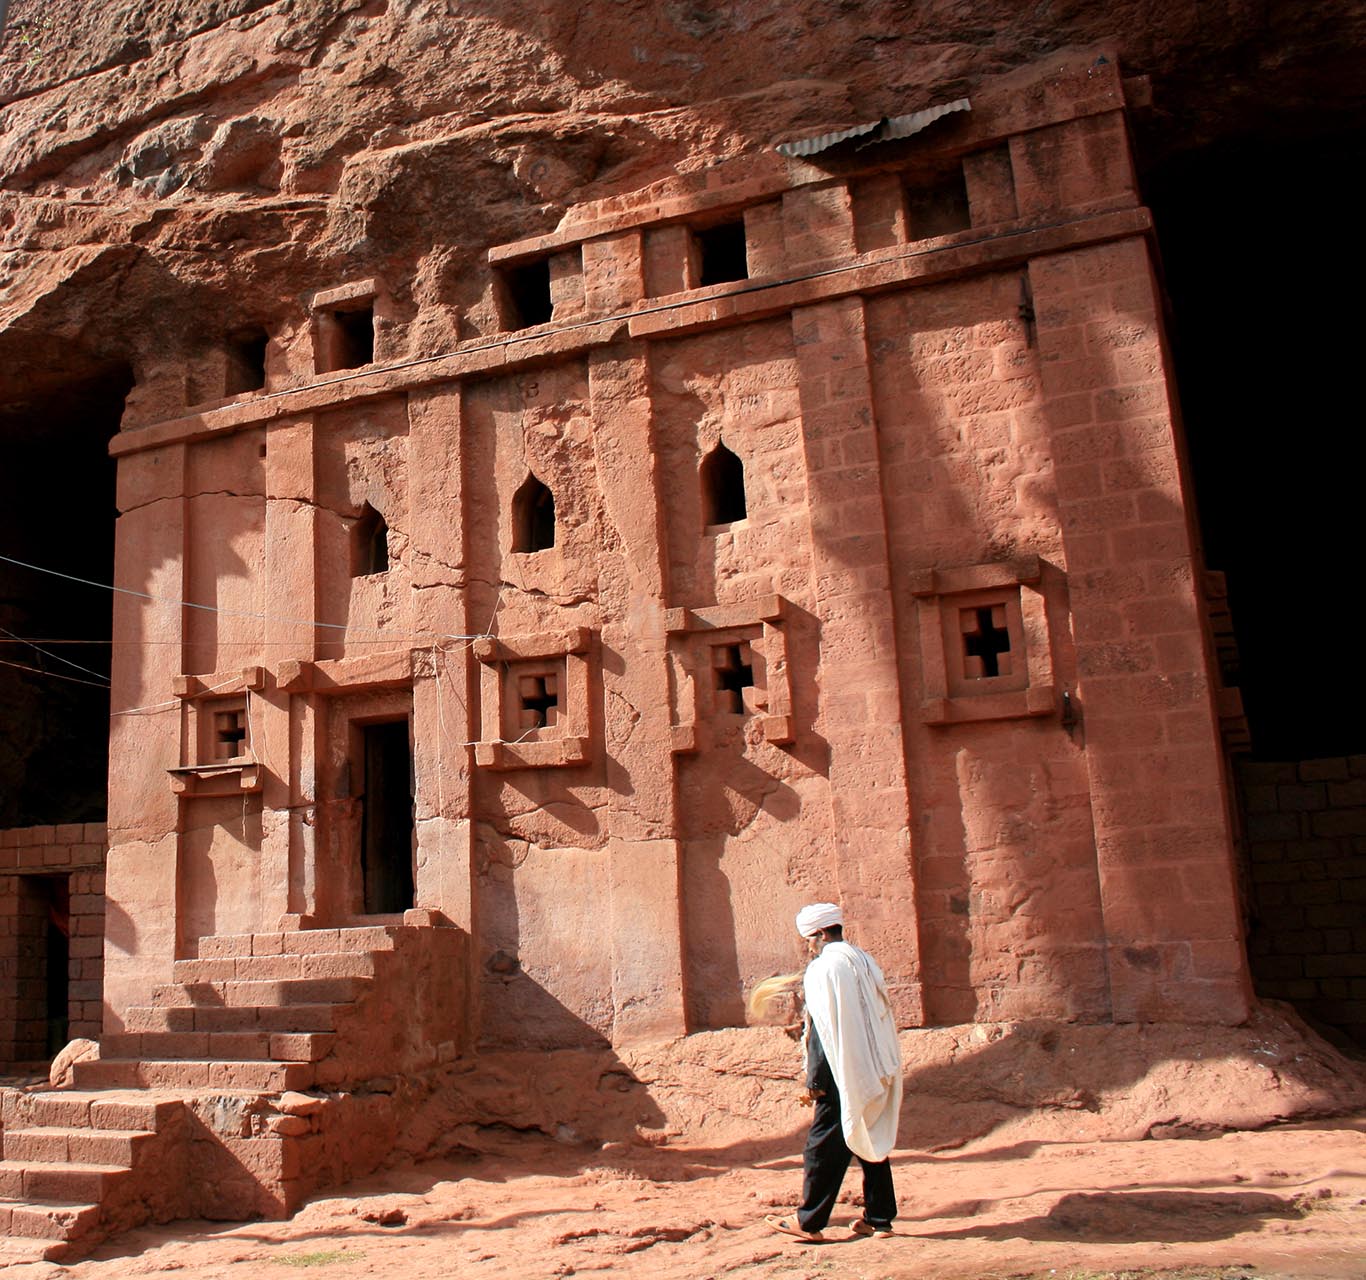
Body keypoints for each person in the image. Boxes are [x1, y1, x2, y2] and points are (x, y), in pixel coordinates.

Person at [765, 902, 902, 1243]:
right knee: (866, 1135)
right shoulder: (863, 960)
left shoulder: (824, 968)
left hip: (841, 1071)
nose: (808, 946)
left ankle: (808, 1222)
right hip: (875, 1064)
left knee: (821, 1147)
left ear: (822, 933)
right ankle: (879, 1217)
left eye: (809, 939)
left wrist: (816, 1082)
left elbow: (826, 1032)